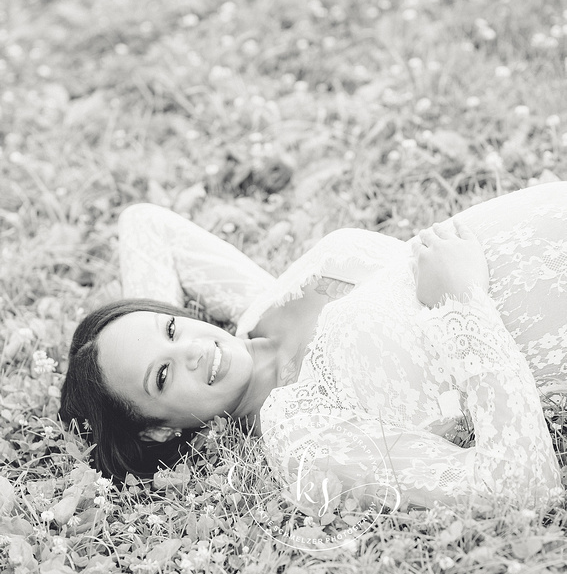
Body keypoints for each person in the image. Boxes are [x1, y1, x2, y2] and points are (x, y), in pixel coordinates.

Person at [60, 182, 567, 515]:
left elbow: (146, 223)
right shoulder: (301, 435)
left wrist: (138, 338)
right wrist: (462, 303)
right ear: (158, 431)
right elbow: (518, 487)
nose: (191, 350)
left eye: (171, 329)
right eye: (162, 377)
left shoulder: (256, 309)